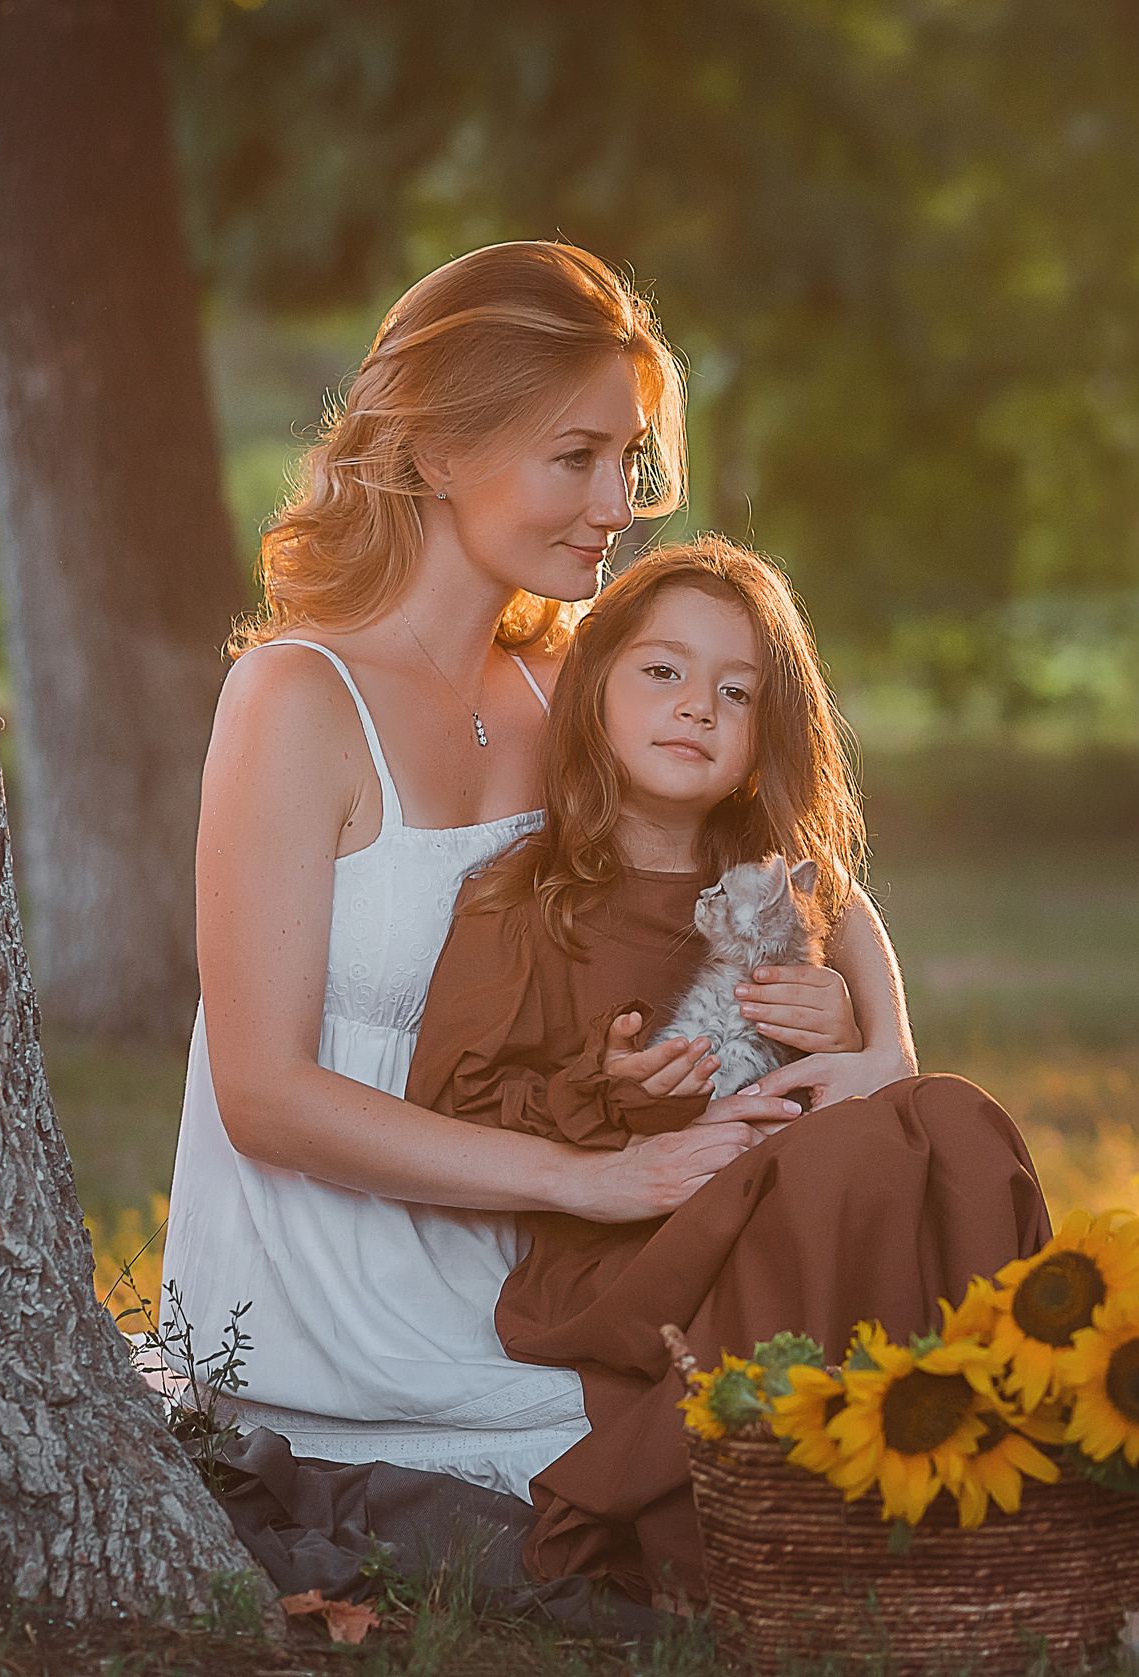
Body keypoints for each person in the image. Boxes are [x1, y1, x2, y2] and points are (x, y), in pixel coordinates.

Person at [161, 243, 912, 1503]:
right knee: (726, 1466)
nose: (619, 501)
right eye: (577, 457)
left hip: (546, 1251)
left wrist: (875, 1037)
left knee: (868, 1248)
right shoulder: (295, 695)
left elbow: (804, 867)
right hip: (327, 1284)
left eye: (629, 458)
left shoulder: (568, 678)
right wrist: (594, 1179)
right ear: (439, 451)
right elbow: (263, 1095)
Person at [406, 539, 1051, 1602]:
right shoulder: (525, 896)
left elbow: (844, 904)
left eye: (735, 690)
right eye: (663, 671)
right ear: (594, 689)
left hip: (803, 1204)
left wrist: (860, 1036)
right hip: (630, 1240)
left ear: (766, 735)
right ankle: (791, 1499)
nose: (696, 705)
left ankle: (998, 1456)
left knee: (956, 1123)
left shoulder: (771, 885)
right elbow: (452, 1102)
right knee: (860, 1153)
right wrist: (602, 1091)